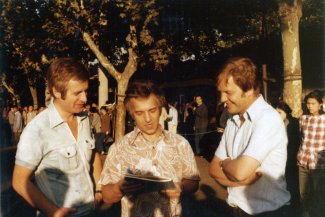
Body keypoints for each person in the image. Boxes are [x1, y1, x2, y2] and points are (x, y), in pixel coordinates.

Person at [12, 57, 103, 217]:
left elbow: (93, 154)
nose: (85, 99)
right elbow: (19, 181)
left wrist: (100, 189)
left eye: (86, 91)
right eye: (77, 93)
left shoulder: (84, 119)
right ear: (56, 91)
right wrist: (53, 212)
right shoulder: (36, 130)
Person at [99, 80, 200, 217]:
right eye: (139, 113)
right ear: (132, 114)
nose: (147, 119)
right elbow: (106, 196)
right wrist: (118, 188)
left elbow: (193, 182)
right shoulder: (118, 148)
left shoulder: (181, 144)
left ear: (160, 109)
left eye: (152, 110)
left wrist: (181, 187)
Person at [209, 57, 290, 217]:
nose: (222, 99)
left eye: (228, 92)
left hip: (267, 212)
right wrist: (241, 180)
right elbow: (213, 169)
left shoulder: (268, 118)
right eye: (221, 92)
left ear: (250, 89)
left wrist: (225, 162)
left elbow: (240, 171)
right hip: (236, 209)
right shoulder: (233, 119)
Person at [297, 90, 325, 217]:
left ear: (320, 104)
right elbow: (301, 137)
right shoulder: (303, 119)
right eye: (308, 103)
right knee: (303, 195)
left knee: (318, 195)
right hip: (303, 162)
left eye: (313, 103)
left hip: (319, 164)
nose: (310, 106)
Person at [275, 101, 300, 214]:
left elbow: (297, 140)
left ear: (286, 112)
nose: (277, 115)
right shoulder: (274, 123)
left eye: (279, 112)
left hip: (291, 155)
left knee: (290, 178)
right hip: (278, 155)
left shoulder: (294, 122)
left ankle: (292, 203)